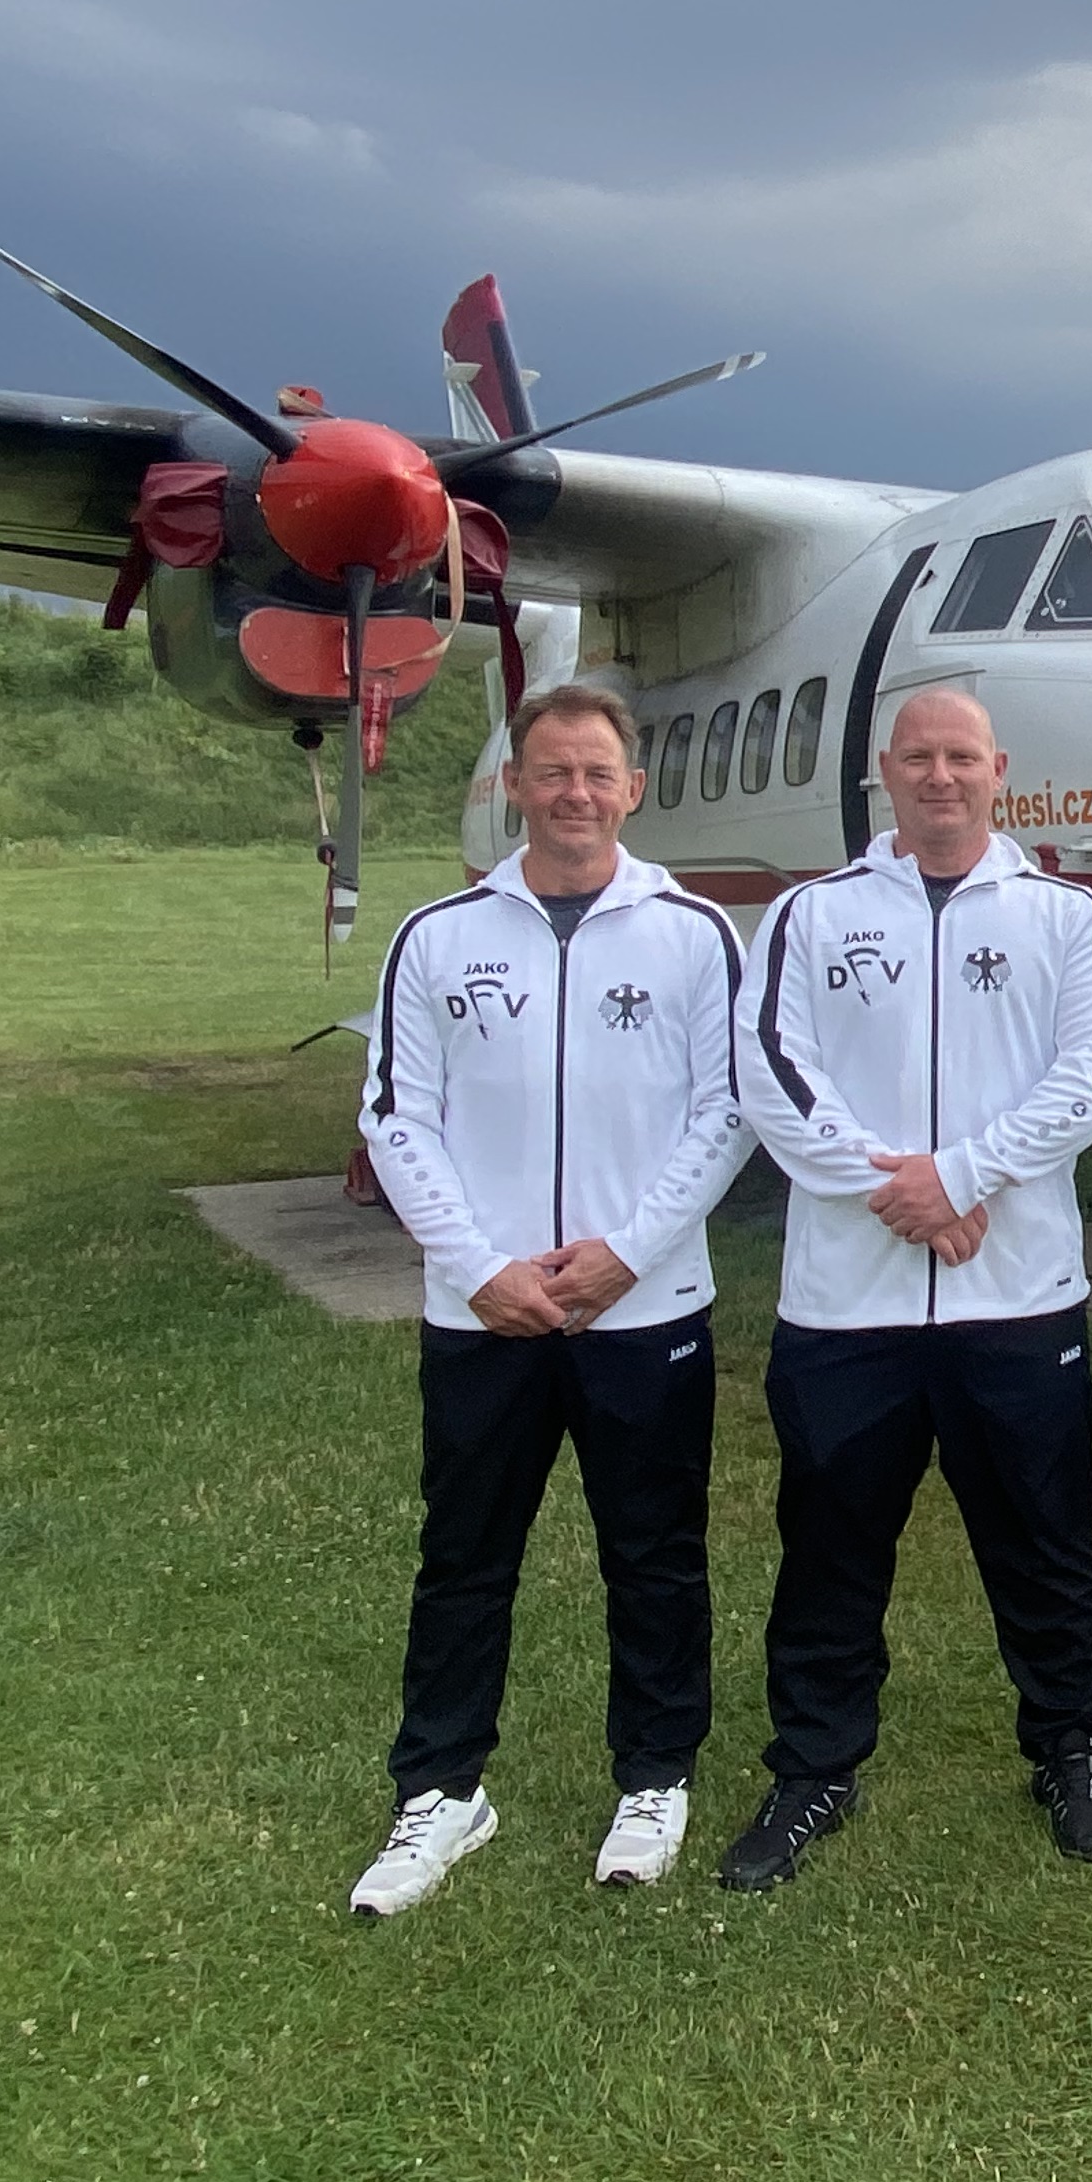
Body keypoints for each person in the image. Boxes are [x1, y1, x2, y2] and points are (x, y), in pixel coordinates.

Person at [350, 683, 751, 1915]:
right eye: (553, 772)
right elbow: (396, 1117)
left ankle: (656, 1775)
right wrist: (481, 1268)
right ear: (515, 786)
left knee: (655, 1555)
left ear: (633, 789)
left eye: (597, 773)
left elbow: (727, 1111)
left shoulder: (692, 933)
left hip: (645, 1308)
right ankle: (442, 1789)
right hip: (487, 1316)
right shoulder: (438, 936)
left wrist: (628, 1252)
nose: (576, 793)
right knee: (465, 1557)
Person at [725, 684, 1092, 1880]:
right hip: (847, 1304)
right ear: (884, 774)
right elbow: (771, 1072)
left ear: (999, 772)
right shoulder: (811, 915)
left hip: (1018, 1297)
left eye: (962, 756)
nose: (940, 776)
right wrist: (895, 1187)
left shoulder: (1065, 916)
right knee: (830, 1543)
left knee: (1046, 1540)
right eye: (918, 757)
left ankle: (1068, 1746)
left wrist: (960, 1174)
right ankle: (813, 1768)